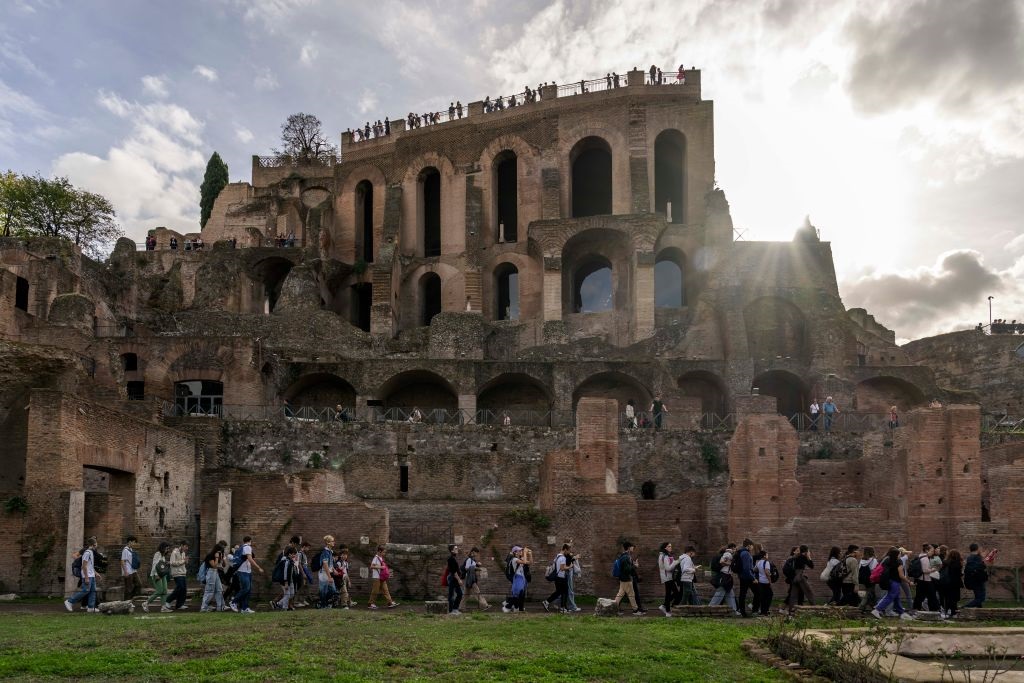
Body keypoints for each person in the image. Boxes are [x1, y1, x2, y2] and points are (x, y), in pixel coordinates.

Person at [871, 547, 915, 620]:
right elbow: (901, 575)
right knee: (890, 596)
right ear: (897, 554)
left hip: (888, 581)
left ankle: (901, 613)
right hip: (895, 582)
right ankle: (877, 609)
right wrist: (909, 582)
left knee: (896, 597)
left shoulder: (887, 560)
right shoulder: (899, 562)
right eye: (899, 554)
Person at [65, 536, 99, 613]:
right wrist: (86, 577)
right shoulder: (87, 552)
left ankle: (90, 607)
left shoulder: (91, 552)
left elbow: (90, 565)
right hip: (87, 576)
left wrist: (96, 573)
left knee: (92, 591)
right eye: (96, 543)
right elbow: (84, 566)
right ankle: (69, 601)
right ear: (94, 544)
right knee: (85, 590)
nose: (97, 545)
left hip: (92, 575)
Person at [231, 535, 263, 614]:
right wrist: (258, 567)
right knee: (246, 588)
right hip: (243, 571)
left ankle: (245, 608)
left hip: (246, 571)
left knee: (248, 589)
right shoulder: (247, 547)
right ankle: (233, 602)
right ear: (250, 541)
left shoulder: (242, 547)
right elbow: (250, 559)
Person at [611, 541, 642, 615]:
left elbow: (626, 567)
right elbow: (627, 569)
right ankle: (635, 610)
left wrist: (632, 564)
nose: (633, 548)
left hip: (623, 579)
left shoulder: (623, 556)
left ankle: (613, 609)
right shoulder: (626, 557)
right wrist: (635, 566)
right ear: (628, 548)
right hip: (626, 579)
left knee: (620, 595)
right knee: (631, 595)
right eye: (632, 546)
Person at [709, 546, 740, 615]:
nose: (735, 550)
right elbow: (721, 562)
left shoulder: (727, 554)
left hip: (726, 576)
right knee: (720, 593)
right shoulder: (727, 554)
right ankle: (710, 609)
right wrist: (730, 563)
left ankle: (733, 610)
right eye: (734, 549)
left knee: (730, 594)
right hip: (725, 576)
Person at [542, 543, 571, 613]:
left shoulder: (557, 556)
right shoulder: (563, 557)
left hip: (557, 578)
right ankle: (562, 608)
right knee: (564, 592)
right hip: (561, 577)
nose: (569, 552)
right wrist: (570, 567)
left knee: (558, 592)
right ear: (565, 549)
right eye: (568, 550)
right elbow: (562, 568)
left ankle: (546, 602)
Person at [142, 541, 171, 613]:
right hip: (156, 575)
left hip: (163, 575)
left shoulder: (163, 556)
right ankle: (145, 603)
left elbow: (161, 566)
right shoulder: (157, 554)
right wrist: (156, 574)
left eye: (168, 549)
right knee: (159, 591)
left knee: (164, 591)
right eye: (166, 548)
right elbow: (155, 565)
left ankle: (163, 608)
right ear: (162, 548)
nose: (167, 550)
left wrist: (166, 563)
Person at [271, 545, 301, 611]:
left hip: (291, 580)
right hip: (285, 581)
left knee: (292, 594)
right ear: (290, 554)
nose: (294, 556)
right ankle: (284, 608)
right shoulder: (286, 561)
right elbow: (285, 573)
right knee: (287, 594)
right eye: (293, 554)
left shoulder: (290, 561)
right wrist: (286, 583)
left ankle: (279, 603)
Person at [368, 545, 398, 609]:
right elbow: (371, 566)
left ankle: (390, 602)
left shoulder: (380, 558)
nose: (384, 553)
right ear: (379, 551)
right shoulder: (376, 558)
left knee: (385, 590)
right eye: (383, 552)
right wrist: (381, 567)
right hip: (376, 577)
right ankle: (371, 604)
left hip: (381, 577)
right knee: (375, 591)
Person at [786, 545, 814, 611]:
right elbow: (811, 566)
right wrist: (809, 557)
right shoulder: (803, 557)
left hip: (795, 577)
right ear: (806, 551)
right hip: (800, 576)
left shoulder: (797, 557)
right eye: (808, 551)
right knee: (808, 591)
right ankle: (814, 606)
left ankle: (790, 610)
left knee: (793, 593)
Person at [200, 545, 227, 612]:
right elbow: (214, 566)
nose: (220, 553)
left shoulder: (218, 555)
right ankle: (204, 607)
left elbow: (223, 565)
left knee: (219, 589)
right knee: (209, 590)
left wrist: (222, 558)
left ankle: (220, 606)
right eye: (219, 551)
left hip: (215, 572)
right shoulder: (210, 556)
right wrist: (217, 557)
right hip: (211, 572)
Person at [658, 542, 682, 617]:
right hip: (667, 577)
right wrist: (677, 561)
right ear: (665, 548)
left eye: (671, 546)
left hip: (667, 577)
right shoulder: (664, 556)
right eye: (669, 546)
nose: (671, 547)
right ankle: (666, 608)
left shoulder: (664, 555)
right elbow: (668, 568)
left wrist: (675, 561)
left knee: (668, 594)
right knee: (676, 593)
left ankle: (666, 609)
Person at [963, 543, 990, 608]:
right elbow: (978, 568)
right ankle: (965, 607)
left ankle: (979, 612)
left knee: (978, 597)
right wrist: (984, 563)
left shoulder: (970, 557)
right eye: (980, 548)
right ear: (977, 549)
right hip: (977, 581)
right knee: (981, 598)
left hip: (974, 580)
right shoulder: (975, 558)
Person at [165, 540, 190, 611]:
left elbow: (183, 563)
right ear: (181, 545)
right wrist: (183, 561)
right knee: (180, 587)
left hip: (183, 573)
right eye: (186, 546)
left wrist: (186, 561)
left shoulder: (183, 553)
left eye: (187, 547)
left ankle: (179, 605)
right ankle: (168, 601)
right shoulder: (174, 552)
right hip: (176, 573)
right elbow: (172, 563)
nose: (187, 548)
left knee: (184, 589)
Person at [462, 547, 490, 611]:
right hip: (470, 579)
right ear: (473, 552)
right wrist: (476, 568)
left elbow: (471, 567)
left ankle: (461, 607)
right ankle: (485, 605)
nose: (477, 554)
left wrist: (477, 565)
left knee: (466, 595)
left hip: (470, 578)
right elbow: (466, 568)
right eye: (476, 553)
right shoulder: (469, 559)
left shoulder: (473, 559)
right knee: (477, 592)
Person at [940, 548, 963, 618]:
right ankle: (953, 612)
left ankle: (946, 611)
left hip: (946, 583)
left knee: (947, 598)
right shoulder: (958, 563)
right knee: (954, 599)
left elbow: (941, 571)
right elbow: (958, 574)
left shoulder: (945, 562)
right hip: (955, 584)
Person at [735, 539, 755, 617]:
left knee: (742, 594)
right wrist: (753, 578)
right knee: (758, 592)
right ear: (749, 545)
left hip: (742, 576)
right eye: (752, 546)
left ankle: (742, 611)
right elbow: (747, 568)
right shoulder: (746, 553)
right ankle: (753, 609)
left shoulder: (741, 552)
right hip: (747, 577)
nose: (753, 548)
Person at [318, 535, 338, 609]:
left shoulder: (330, 552)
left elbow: (330, 564)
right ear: (328, 543)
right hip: (324, 573)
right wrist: (329, 577)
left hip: (328, 573)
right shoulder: (325, 552)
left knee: (333, 590)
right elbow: (325, 564)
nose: (334, 542)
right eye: (332, 541)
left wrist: (334, 569)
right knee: (323, 591)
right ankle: (323, 605)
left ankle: (324, 603)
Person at [121, 535, 142, 602]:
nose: (134, 544)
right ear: (129, 542)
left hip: (133, 570)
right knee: (128, 588)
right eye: (133, 542)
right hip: (128, 571)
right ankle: (126, 602)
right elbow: (122, 561)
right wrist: (125, 572)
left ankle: (131, 599)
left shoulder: (131, 550)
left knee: (139, 584)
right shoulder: (125, 550)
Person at [858, 547, 879, 613]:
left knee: (871, 593)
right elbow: (873, 569)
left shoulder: (861, 560)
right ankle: (861, 607)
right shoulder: (873, 560)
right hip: (871, 579)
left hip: (863, 579)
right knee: (869, 593)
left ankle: (874, 607)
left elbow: (859, 569)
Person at [754, 550, 774, 615]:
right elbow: (767, 572)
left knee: (762, 597)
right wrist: (770, 581)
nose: (768, 556)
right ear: (764, 556)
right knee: (769, 595)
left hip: (760, 581)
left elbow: (755, 569)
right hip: (766, 582)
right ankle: (766, 611)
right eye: (767, 555)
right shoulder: (766, 562)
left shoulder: (758, 562)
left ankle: (763, 611)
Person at [446, 544, 465, 614]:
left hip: (454, 578)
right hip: (453, 578)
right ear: (452, 550)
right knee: (451, 595)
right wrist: (459, 579)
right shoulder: (450, 559)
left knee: (460, 594)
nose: (457, 549)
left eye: (457, 548)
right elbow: (453, 571)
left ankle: (455, 609)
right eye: (455, 548)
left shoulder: (453, 558)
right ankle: (451, 610)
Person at [564, 545, 582, 613]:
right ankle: (572, 606)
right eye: (570, 543)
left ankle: (558, 603)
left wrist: (573, 557)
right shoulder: (565, 554)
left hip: (569, 572)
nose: (571, 545)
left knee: (567, 590)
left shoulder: (567, 553)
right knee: (570, 590)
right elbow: (567, 562)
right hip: (568, 572)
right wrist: (575, 558)